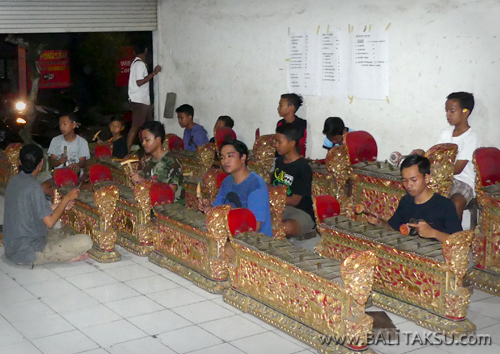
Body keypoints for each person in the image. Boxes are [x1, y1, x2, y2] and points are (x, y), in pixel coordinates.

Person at [3, 144, 93, 266]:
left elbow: (33, 210)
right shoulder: (34, 187)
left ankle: (63, 253)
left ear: (20, 162)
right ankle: (62, 256)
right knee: (85, 241)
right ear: (41, 163)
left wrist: (60, 205)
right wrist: (66, 199)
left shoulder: (15, 180)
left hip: (12, 246)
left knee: (64, 233)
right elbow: (50, 222)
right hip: (28, 252)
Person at [411, 92, 481, 221]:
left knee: (456, 202)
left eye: (452, 111)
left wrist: (436, 170)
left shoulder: (471, 137)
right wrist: (423, 154)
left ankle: (453, 237)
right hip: (443, 179)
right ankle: (425, 232)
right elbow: (436, 158)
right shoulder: (445, 133)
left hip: (463, 181)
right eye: (446, 111)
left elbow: (458, 169)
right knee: (417, 193)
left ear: (465, 112)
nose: (448, 114)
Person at [368, 155, 462, 243]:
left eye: (414, 180)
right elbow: (393, 227)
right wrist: (379, 223)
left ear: (426, 178)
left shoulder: (445, 205)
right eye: (405, 180)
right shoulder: (406, 201)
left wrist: (433, 233)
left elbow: (458, 242)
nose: (408, 185)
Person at [199, 139, 272, 236]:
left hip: (252, 240)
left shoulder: (255, 185)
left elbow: (255, 227)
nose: (225, 161)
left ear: (243, 158)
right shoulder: (227, 181)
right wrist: (208, 208)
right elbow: (217, 209)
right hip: (228, 232)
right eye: (222, 157)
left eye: (230, 156)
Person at [271, 123, 315, 238]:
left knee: (285, 228)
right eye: (275, 141)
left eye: (279, 142)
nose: (276, 145)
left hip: (300, 212)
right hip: (279, 206)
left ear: (292, 143)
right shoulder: (279, 161)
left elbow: (295, 200)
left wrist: (273, 198)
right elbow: (273, 186)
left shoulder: (302, 167)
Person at [129, 121, 184, 202]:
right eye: (142, 140)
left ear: (158, 140)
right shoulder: (148, 161)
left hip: (170, 209)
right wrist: (137, 182)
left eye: (147, 140)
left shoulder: (172, 161)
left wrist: (143, 181)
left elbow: (169, 191)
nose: (143, 143)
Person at [127, 43, 162, 151]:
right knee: (136, 127)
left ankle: (150, 149)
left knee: (150, 127)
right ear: (146, 50)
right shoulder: (140, 65)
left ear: (134, 52)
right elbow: (139, 82)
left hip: (141, 101)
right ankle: (125, 152)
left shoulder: (135, 63)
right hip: (140, 101)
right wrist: (154, 73)